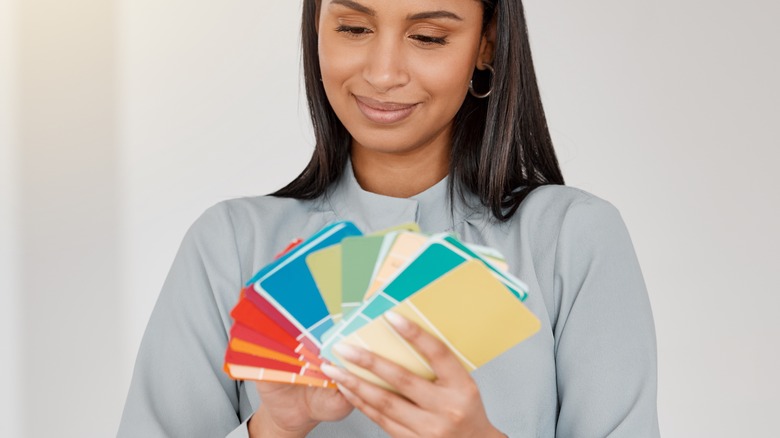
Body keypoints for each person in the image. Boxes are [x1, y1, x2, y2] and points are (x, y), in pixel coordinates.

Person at [118, 0, 660, 437]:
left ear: (486, 42)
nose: (382, 73)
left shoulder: (572, 238)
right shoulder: (232, 243)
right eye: (353, 27)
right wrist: (273, 429)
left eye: (427, 37)